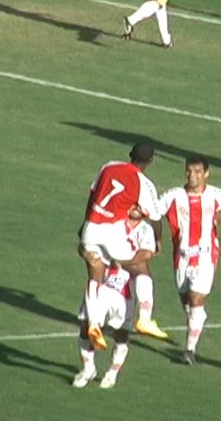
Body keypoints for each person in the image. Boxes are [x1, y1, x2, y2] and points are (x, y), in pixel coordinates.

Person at [79, 143, 168, 343]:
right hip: (111, 231)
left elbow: (92, 196)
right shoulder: (143, 183)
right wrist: (158, 240)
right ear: (150, 161)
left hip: (91, 227)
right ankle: (144, 318)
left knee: (95, 275)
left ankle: (94, 324)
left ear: (130, 154)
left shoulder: (108, 166)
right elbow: (155, 217)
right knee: (140, 267)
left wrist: (85, 223)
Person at [158, 155, 221, 364]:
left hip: (205, 255)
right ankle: (198, 318)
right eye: (189, 171)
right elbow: (154, 212)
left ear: (206, 174)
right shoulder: (174, 196)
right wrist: (156, 237)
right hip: (181, 256)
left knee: (195, 299)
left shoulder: (216, 195)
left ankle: (189, 351)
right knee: (186, 302)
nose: (192, 176)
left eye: (197, 172)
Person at [73, 205, 158, 389]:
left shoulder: (146, 229)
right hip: (101, 284)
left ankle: (112, 372)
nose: (134, 207)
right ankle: (88, 368)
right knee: (86, 326)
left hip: (124, 290)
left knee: (121, 333)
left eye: (138, 204)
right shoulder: (110, 221)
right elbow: (83, 239)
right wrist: (86, 254)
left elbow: (146, 254)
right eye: (132, 204)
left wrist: (119, 260)